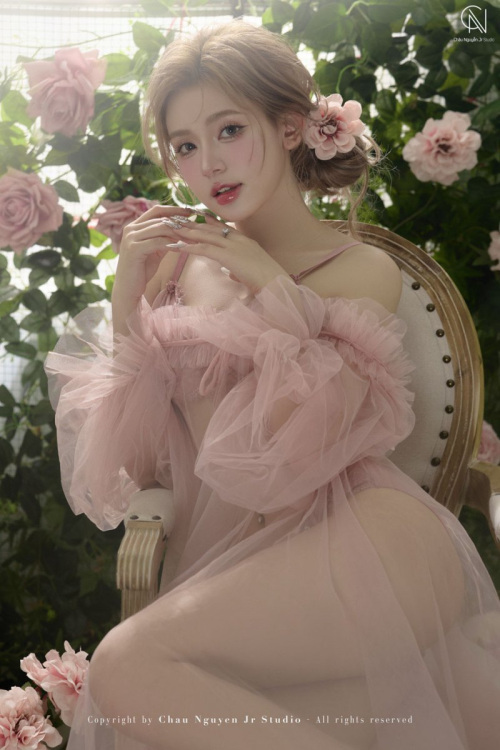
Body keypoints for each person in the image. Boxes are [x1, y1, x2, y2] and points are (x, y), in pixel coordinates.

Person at [44, 20, 500, 750]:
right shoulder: (178, 267)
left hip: (368, 547)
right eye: (185, 146)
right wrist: (130, 299)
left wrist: (273, 291)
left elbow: (293, 452)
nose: (208, 163)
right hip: (229, 570)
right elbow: (139, 465)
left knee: (126, 664)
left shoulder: (361, 271)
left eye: (229, 130)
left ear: (290, 127)